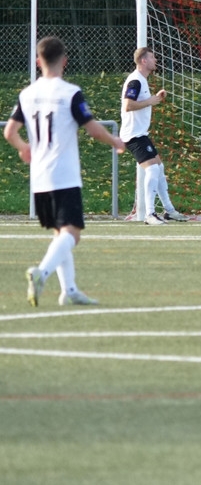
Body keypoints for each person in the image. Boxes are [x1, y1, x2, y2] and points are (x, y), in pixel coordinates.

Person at [5, 36, 126, 307]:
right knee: (72, 234)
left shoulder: (27, 94)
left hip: (40, 177)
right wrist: (116, 141)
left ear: (38, 62)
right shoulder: (70, 93)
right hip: (64, 174)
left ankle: (69, 290)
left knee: (60, 234)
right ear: (65, 61)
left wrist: (24, 148)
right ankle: (41, 273)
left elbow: (10, 132)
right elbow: (93, 130)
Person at [121, 47, 189, 225]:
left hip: (140, 133)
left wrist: (155, 98)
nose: (155, 60)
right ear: (143, 61)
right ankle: (149, 214)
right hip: (133, 135)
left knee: (159, 167)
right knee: (152, 169)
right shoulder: (135, 81)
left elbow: (140, 102)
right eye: (152, 57)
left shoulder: (142, 80)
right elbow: (128, 105)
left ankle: (169, 211)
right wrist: (150, 101)